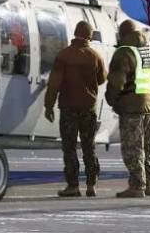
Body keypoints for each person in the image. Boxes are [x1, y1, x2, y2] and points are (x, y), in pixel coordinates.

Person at [44, 21, 108, 197]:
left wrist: (48, 105)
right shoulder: (95, 56)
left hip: (68, 108)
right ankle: (91, 185)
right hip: (89, 108)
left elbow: (54, 84)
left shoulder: (64, 55)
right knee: (89, 146)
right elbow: (102, 79)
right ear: (89, 35)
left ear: (75, 33)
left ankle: (72, 186)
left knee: (70, 147)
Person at [106, 20, 150, 198]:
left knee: (133, 148)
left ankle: (137, 186)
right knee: (147, 147)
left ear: (122, 34)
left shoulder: (124, 53)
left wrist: (112, 100)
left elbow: (117, 82)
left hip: (131, 108)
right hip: (149, 106)